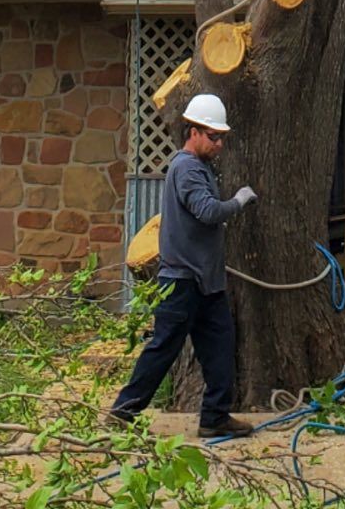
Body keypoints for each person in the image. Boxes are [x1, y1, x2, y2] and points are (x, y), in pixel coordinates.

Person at [109, 92, 257, 439]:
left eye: (222, 137)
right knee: (164, 347)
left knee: (220, 345)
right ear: (193, 131)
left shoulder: (200, 166)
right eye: (213, 136)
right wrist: (237, 202)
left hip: (205, 281)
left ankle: (215, 416)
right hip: (181, 281)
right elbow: (207, 211)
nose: (219, 143)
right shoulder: (187, 168)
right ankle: (122, 411)